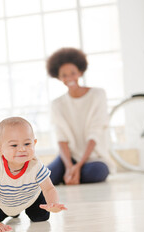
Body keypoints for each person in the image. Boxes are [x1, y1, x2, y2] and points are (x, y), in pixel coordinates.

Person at [0, 117, 67, 232]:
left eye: (27, 144)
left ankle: (23, 211)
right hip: (5, 204)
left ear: (34, 143)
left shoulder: (35, 165)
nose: (22, 149)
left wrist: (53, 203)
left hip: (31, 199)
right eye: (14, 145)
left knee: (41, 217)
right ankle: (13, 214)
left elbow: (48, 188)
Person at [46, 47, 116, 186]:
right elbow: (61, 139)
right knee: (46, 178)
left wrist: (78, 166)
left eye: (73, 73)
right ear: (59, 78)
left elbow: (94, 133)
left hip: (94, 158)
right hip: (68, 158)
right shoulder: (57, 104)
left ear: (80, 72)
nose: (69, 78)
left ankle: (71, 175)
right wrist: (69, 166)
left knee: (97, 172)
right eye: (64, 75)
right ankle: (69, 174)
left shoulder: (98, 95)